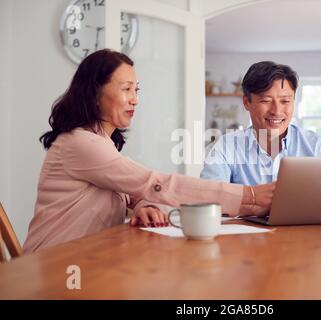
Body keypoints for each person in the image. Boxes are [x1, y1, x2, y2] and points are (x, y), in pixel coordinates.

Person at [23, 49, 274, 253]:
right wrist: (249, 196)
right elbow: (154, 183)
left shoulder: (101, 144)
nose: (135, 98)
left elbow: (130, 190)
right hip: (51, 265)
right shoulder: (81, 144)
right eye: (126, 89)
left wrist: (143, 205)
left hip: (85, 260)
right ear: (95, 92)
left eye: (136, 89)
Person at [200, 61, 321, 215]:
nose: (276, 111)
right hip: (246, 246)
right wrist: (255, 203)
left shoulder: (318, 146)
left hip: (309, 245)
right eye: (266, 100)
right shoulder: (227, 146)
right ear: (247, 102)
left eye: (285, 101)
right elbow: (207, 199)